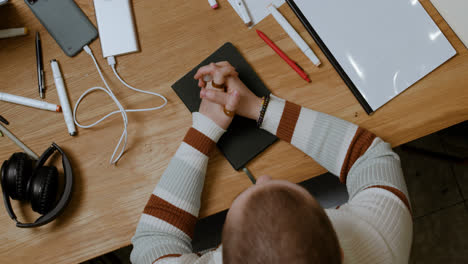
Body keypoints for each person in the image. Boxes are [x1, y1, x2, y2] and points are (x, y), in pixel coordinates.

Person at [130, 62, 413, 264]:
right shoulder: (381, 244)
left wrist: (205, 128)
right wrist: (258, 107)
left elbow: (153, 240)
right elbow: (368, 156)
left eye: (249, 192)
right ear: (338, 253)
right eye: (284, 188)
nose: (263, 178)